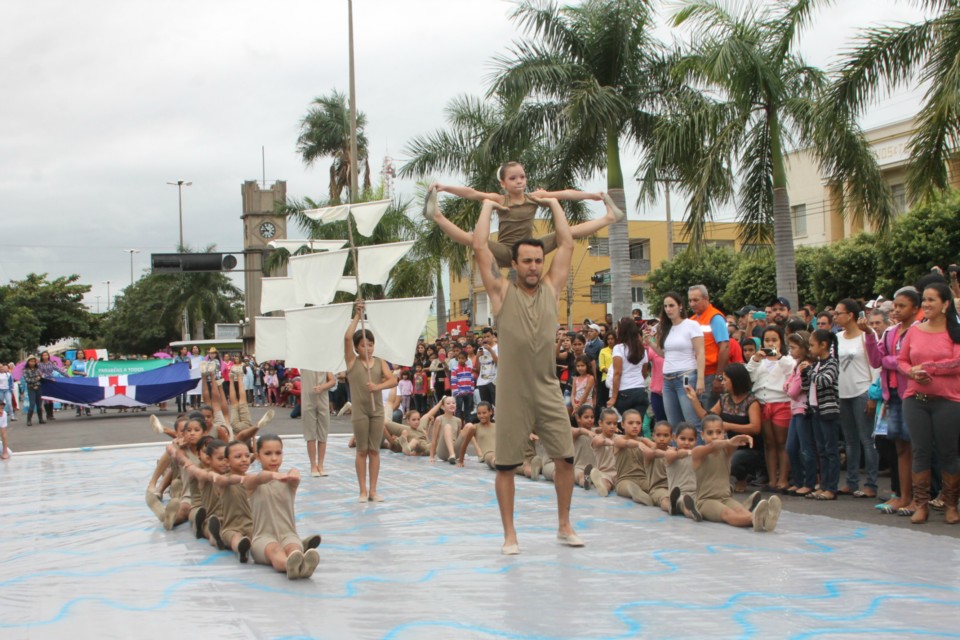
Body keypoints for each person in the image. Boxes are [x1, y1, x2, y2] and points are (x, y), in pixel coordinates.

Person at [472, 196, 582, 554]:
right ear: (515, 264)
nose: (534, 266)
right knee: (506, 465)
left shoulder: (551, 289)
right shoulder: (502, 292)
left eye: (538, 260)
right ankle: (510, 535)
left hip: (548, 390)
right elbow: (479, 246)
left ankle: (564, 525)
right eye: (527, 261)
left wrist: (553, 203)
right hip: (511, 393)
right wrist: (488, 205)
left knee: (565, 458)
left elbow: (566, 242)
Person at [426, 161, 623, 269]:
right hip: (506, 251)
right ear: (503, 183)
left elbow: (565, 193)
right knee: (474, 240)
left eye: (522, 177)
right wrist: (444, 187)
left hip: (529, 250)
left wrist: (592, 195)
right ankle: (437, 215)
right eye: (513, 178)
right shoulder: (500, 199)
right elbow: (472, 193)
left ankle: (609, 218)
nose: (519, 181)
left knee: (565, 233)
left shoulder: (534, 197)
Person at [897, 282, 960, 524]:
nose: (926, 304)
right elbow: (901, 361)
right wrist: (911, 372)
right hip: (915, 400)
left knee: (948, 453)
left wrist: (928, 368)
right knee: (920, 451)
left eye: (932, 300)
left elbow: (956, 363)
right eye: (924, 299)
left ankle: (951, 505)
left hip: (948, 400)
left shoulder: (955, 331)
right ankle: (921, 505)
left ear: (945, 304)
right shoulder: (914, 331)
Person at [864, 287, 921, 515]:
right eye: (895, 306)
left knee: (916, 447)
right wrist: (869, 335)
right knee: (900, 447)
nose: (896, 310)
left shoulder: (918, 331)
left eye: (901, 306)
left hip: (913, 394)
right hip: (893, 395)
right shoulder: (889, 333)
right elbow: (878, 360)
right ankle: (903, 496)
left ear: (914, 309)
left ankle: (919, 498)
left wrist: (892, 361)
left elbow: (905, 361)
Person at [344, 300, 397, 503]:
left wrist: (378, 387)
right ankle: (362, 491)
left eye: (371, 344)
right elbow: (347, 337)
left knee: (374, 450)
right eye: (363, 345)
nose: (368, 348)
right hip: (360, 412)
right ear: (357, 348)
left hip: (376, 412)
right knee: (362, 450)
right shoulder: (352, 361)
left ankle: (373, 490)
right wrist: (358, 315)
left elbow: (393, 379)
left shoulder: (380, 362)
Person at [692, 415, 782, 531]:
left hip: (726, 498)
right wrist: (729, 441)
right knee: (727, 514)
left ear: (724, 433)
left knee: (742, 511)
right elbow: (714, 445)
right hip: (706, 501)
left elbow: (731, 444)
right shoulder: (698, 452)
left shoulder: (726, 451)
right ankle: (760, 519)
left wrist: (739, 439)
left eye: (718, 432)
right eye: (710, 433)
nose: (715, 436)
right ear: (702, 434)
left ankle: (761, 519)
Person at [686, 363, 762, 493]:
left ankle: (741, 477)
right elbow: (707, 418)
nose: (723, 383)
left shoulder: (751, 401)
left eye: (725, 380)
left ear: (736, 381)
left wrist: (729, 426)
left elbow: (755, 428)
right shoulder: (725, 399)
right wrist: (694, 400)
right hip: (726, 444)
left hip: (748, 447)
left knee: (734, 460)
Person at [834, 299, 880, 498]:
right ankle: (851, 482)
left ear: (850, 315)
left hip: (862, 391)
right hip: (843, 393)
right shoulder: (837, 337)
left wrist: (872, 395)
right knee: (850, 441)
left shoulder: (867, 335)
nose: (835, 317)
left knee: (867, 440)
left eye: (838, 313)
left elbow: (875, 365)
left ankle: (871, 483)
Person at [746, 326, 795, 493]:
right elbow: (749, 375)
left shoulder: (787, 359)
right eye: (767, 340)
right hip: (762, 402)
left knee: (781, 443)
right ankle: (772, 479)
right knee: (769, 443)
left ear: (781, 342)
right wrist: (755, 359)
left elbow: (791, 369)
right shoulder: (760, 361)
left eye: (774, 340)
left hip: (781, 402)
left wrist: (778, 356)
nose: (770, 344)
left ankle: (783, 479)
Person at [646, 292, 705, 430]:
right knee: (673, 424)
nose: (668, 309)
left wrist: (700, 379)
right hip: (667, 380)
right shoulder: (665, 328)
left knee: (692, 422)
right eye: (665, 306)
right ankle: (678, 451)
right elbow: (665, 354)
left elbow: (700, 352)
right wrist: (650, 343)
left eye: (671, 305)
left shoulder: (691, 325)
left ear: (680, 307)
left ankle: (697, 450)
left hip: (686, 376)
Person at [801, 329, 841, 501]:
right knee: (822, 450)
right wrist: (804, 373)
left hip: (828, 411)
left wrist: (809, 371)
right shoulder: (816, 364)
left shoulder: (832, 363)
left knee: (831, 450)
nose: (810, 348)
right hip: (815, 411)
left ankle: (831, 487)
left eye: (812, 345)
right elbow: (806, 387)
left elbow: (825, 381)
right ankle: (823, 485)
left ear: (823, 345)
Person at [784, 331, 817, 497]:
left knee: (806, 448)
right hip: (794, 410)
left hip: (803, 410)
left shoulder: (806, 365)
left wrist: (790, 386)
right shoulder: (797, 365)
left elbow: (793, 391)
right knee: (791, 448)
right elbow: (787, 385)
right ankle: (798, 480)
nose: (791, 351)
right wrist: (789, 386)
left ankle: (809, 482)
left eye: (794, 347)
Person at [688, 285, 730, 410]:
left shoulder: (715, 318)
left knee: (709, 414)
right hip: (698, 374)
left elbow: (725, 347)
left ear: (706, 299)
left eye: (696, 300)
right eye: (690, 300)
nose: (692, 304)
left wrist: (719, 376)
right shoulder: (692, 320)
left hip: (711, 374)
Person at [607, 317, 649, 420]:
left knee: (627, 425)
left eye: (618, 328)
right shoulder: (641, 349)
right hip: (640, 391)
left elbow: (617, 373)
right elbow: (644, 372)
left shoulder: (619, 348)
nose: (616, 330)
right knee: (637, 426)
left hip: (624, 393)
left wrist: (613, 397)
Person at [658, 423, 700, 520]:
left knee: (698, 503)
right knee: (683, 503)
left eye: (691, 440)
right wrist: (690, 452)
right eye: (683, 439)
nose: (686, 443)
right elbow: (673, 455)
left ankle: (677, 507)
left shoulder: (697, 455)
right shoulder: (671, 452)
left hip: (695, 493)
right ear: (674, 438)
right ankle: (692, 514)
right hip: (678, 493)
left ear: (696, 441)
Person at [300, 369, 335, 478]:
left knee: (323, 433)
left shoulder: (324, 363)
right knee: (310, 434)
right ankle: (313, 465)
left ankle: (321, 465)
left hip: (323, 400)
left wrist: (322, 387)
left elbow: (332, 381)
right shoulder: (304, 364)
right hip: (308, 400)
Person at [588, 407, 619, 497]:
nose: (612, 426)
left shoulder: (618, 437)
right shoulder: (598, 437)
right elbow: (599, 441)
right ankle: (602, 486)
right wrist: (609, 442)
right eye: (609, 423)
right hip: (604, 473)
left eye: (615, 423)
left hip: (617, 475)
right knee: (606, 484)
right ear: (600, 423)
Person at [457, 401, 497, 469]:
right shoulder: (474, 427)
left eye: (484, 413)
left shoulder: (497, 426)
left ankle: (521, 469)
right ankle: (500, 465)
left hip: (499, 454)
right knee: (495, 459)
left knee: (512, 464)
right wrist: (461, 461)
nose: (481, 416)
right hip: (488, 455)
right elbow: (465, 444)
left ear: (490, 412)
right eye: (479, 413)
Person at [475, 329, 499, 405]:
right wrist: (478, 356)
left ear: (493, 336)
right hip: (482, 382)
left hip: (493, 381)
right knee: (486, 406)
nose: (486, 339)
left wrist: (490, 350)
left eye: (488, 336)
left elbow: (498, 363)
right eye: (484, 337)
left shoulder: (498, 347)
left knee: (496, 404)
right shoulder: (480, 349)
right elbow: (477, 368)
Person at [21, 355, 44, 426]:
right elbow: (27, 380)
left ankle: (41, 419)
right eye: (31, 361)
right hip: (31, 388)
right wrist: (36, 379)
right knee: (32, 404)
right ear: (28, 362)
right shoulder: (25, 370)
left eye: (34, 361)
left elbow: (41, 378)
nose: (33, 363)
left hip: (39, 388)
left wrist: (41, 377)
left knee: (39, 405)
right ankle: (29, 420)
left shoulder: (38, 369)